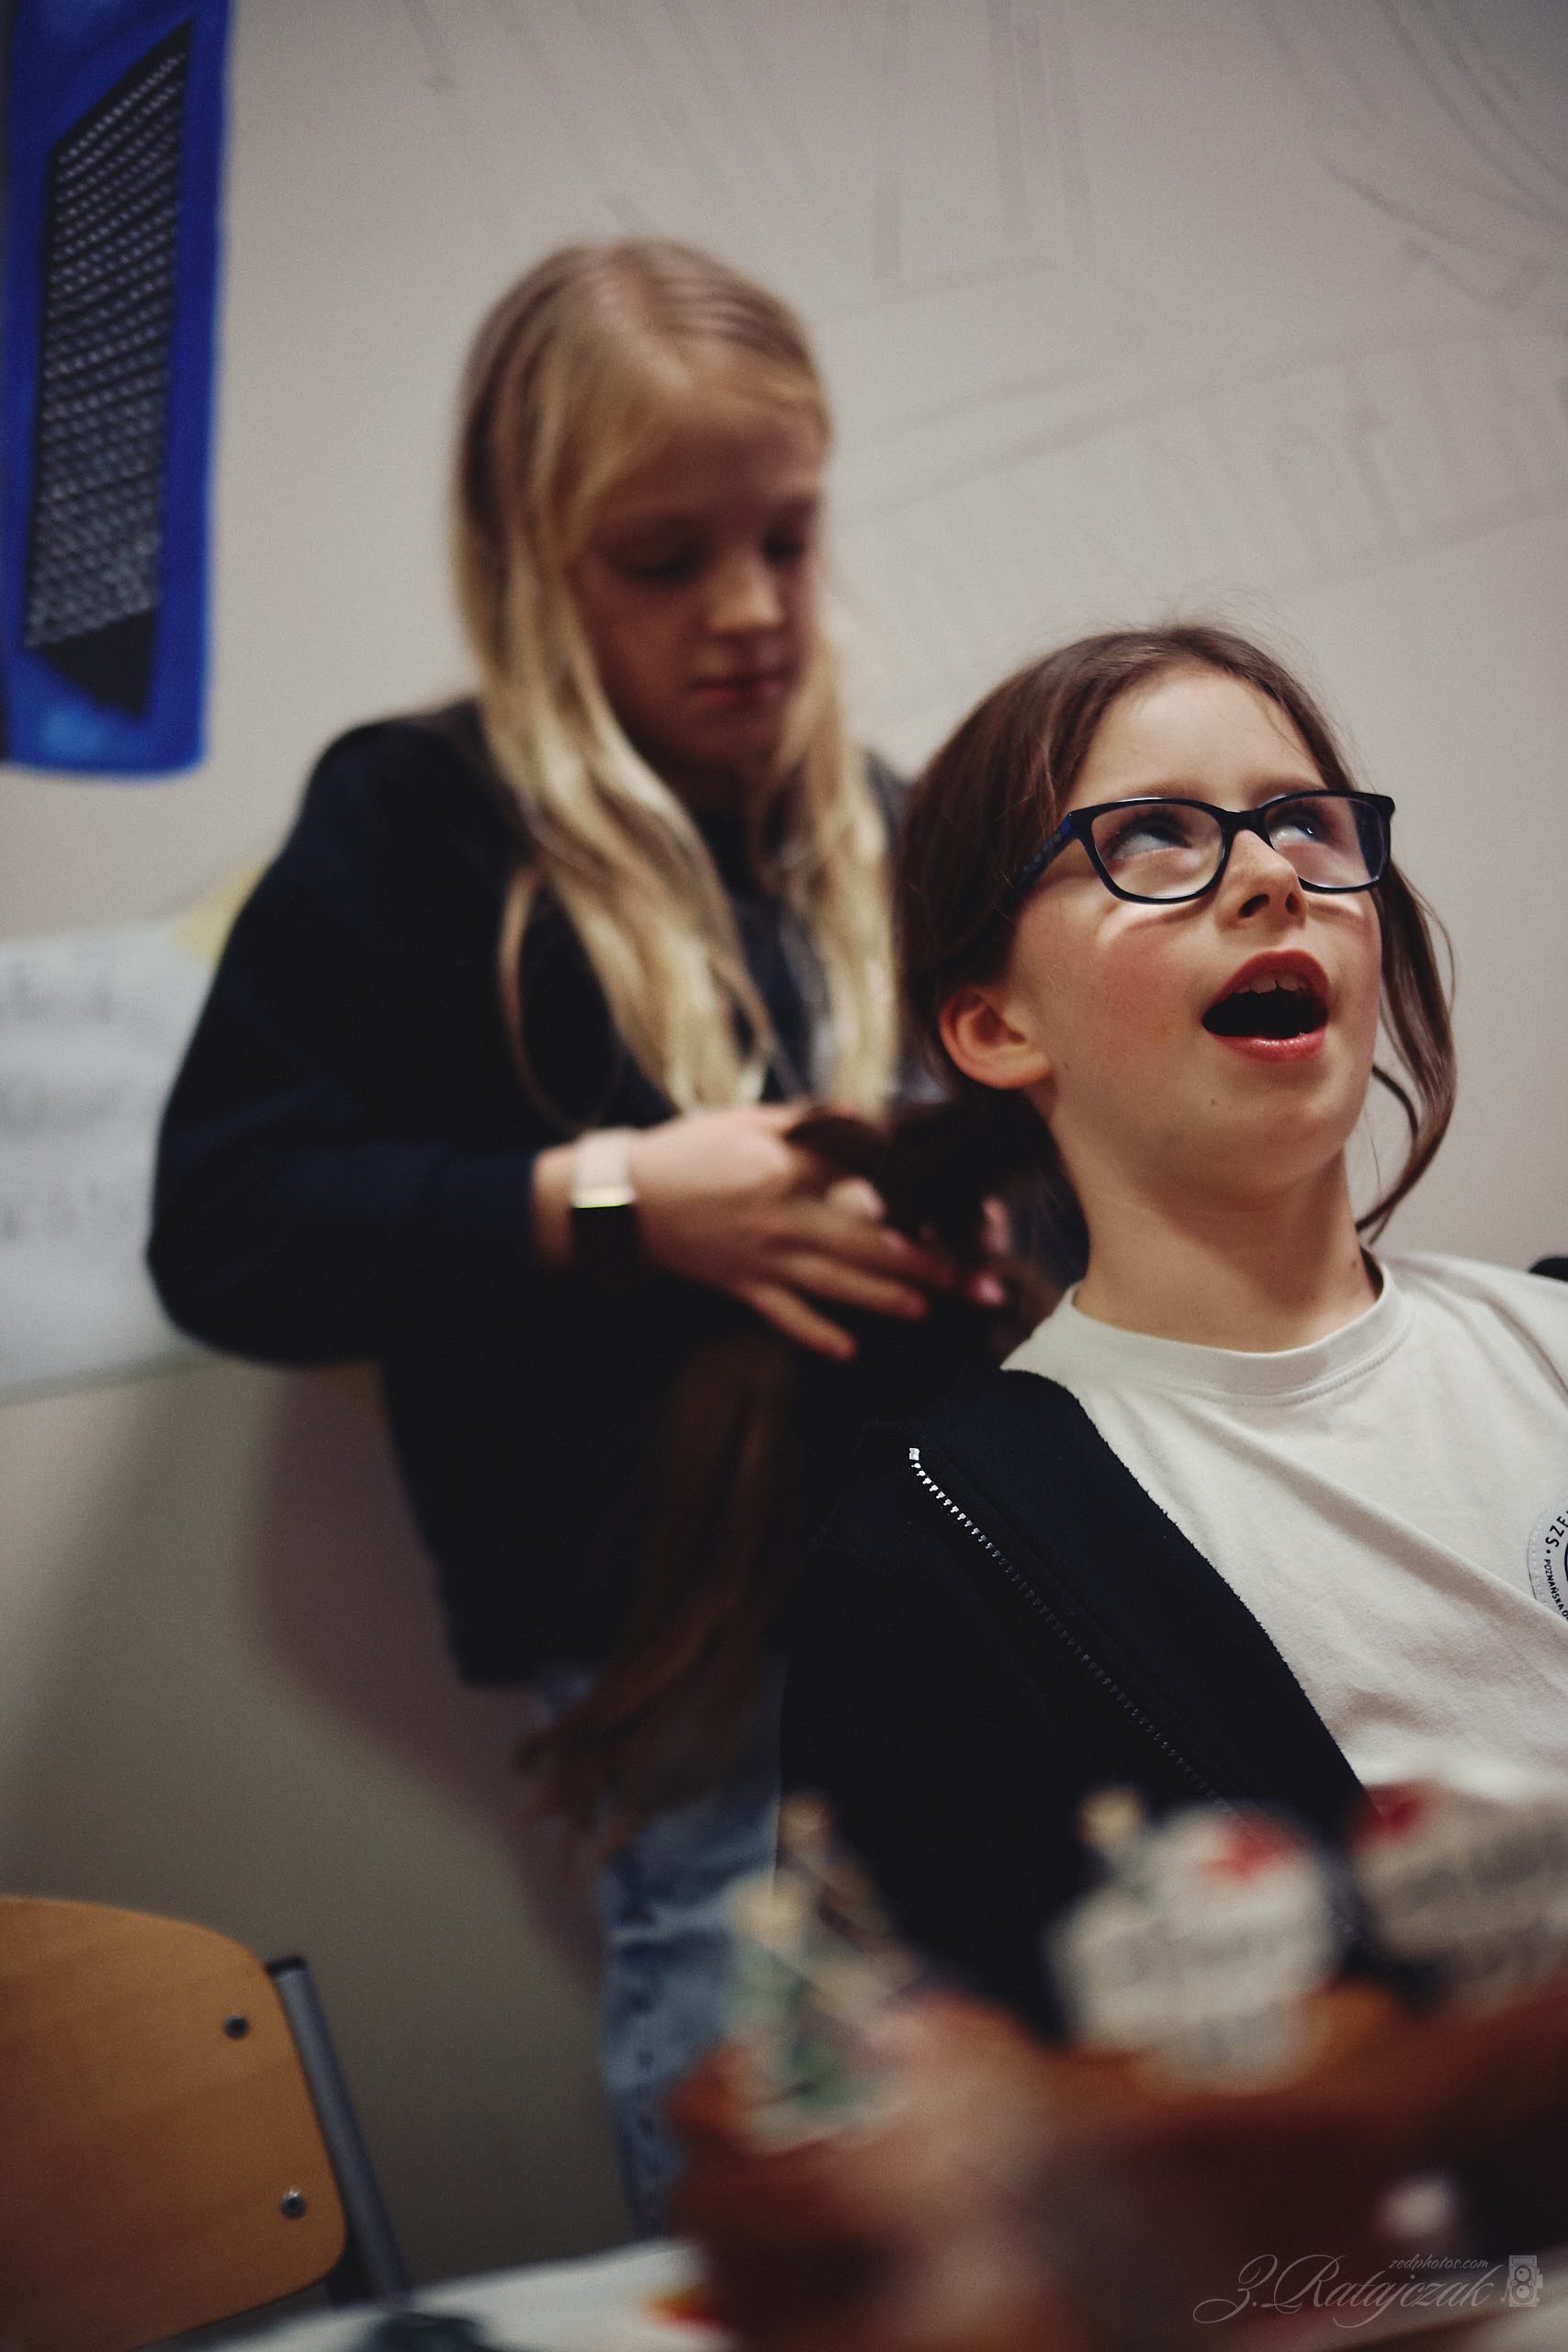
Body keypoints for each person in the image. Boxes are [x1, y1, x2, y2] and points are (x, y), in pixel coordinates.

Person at [146, 238, 1016, 2227]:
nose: (750, 608)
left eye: (787, 537)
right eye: (661, 559)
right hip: (673, 1630)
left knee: (994, 2083)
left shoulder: (879, 820)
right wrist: (620, 1202)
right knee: (753, 2048)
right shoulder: (419, 822)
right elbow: (230, 1225)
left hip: (938, 1579)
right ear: (531, 559)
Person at [781, 621, 1568, 2032]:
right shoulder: (933, 1571)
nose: (1273, 875)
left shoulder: (1553, 1343)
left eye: (1304, 821)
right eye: (1152, 837)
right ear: (994, 1026)